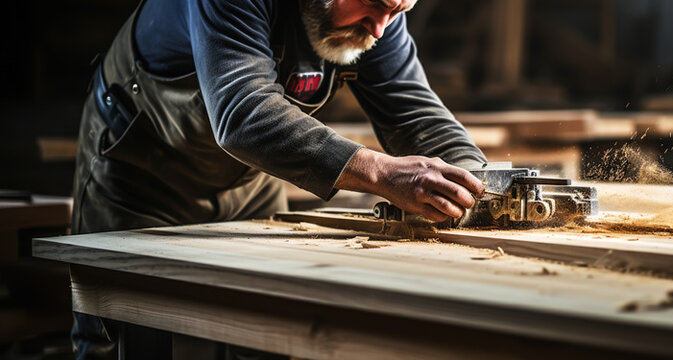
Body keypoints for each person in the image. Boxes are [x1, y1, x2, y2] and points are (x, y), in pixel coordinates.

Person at [71, 0, 486, 358]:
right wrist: (381, 172)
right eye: (374, 5)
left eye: (397, 10)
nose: (379, 28)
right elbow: (244, 113)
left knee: (267, 329)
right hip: (139, 174)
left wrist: (482, 182)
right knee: (118, 331)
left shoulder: (378, 17)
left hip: (251, 181)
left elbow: (415, 113)